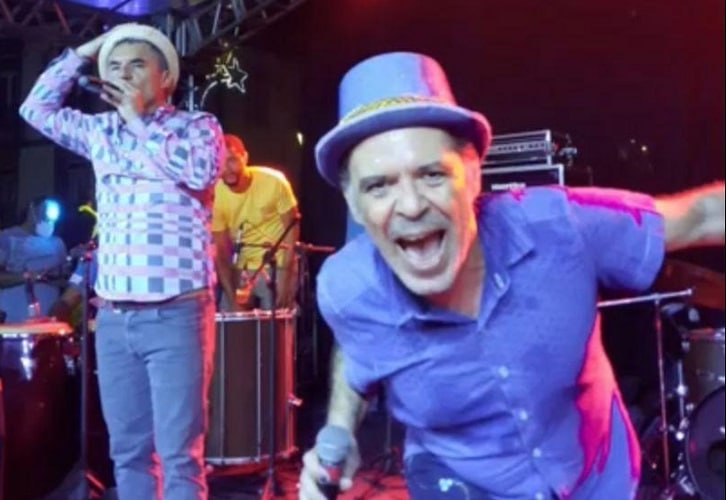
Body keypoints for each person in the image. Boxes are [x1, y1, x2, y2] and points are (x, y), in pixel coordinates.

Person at [299, 52, 726, 499]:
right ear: (353, 202)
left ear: (473, 172)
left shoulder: (561, 227)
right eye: (378, 186)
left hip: (600, 479)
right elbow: (357, 350)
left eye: (431, 175)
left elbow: (701, 216)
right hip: (459, 481)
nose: (410, 205)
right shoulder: (347, 290)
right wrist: (340, 429)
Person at [19, 22, 225, 500]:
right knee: (129, 454)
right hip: (113, 318)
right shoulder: (99, 131)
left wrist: (137, 120)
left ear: (165, 77)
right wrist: (86, 51)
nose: (124, 74)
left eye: (136, 65)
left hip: (177, 313)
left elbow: (199, 172)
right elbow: (34, 108)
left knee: (180, 457)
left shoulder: (197, 127)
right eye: (114, 67)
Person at [212, 134, 300, 310]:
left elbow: (292, 229)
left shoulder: (274, 181)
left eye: (232, 160)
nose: (226, 169)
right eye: (220, 163)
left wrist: (286, 276)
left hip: (276, 265)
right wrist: (231, 298)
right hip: (241, 267)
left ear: (245, 157)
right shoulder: (214, 193)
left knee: (276, 320)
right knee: (230, 318)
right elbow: (221, 251)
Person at [0, 197, 67, 322]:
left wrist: (54, 277)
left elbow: (67, 282)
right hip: (13, 322)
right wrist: (28, 276)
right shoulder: (7, 238)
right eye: (44, 216)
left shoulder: (57, 243)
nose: (48, 221)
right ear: (32, 210)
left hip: (48, 323)